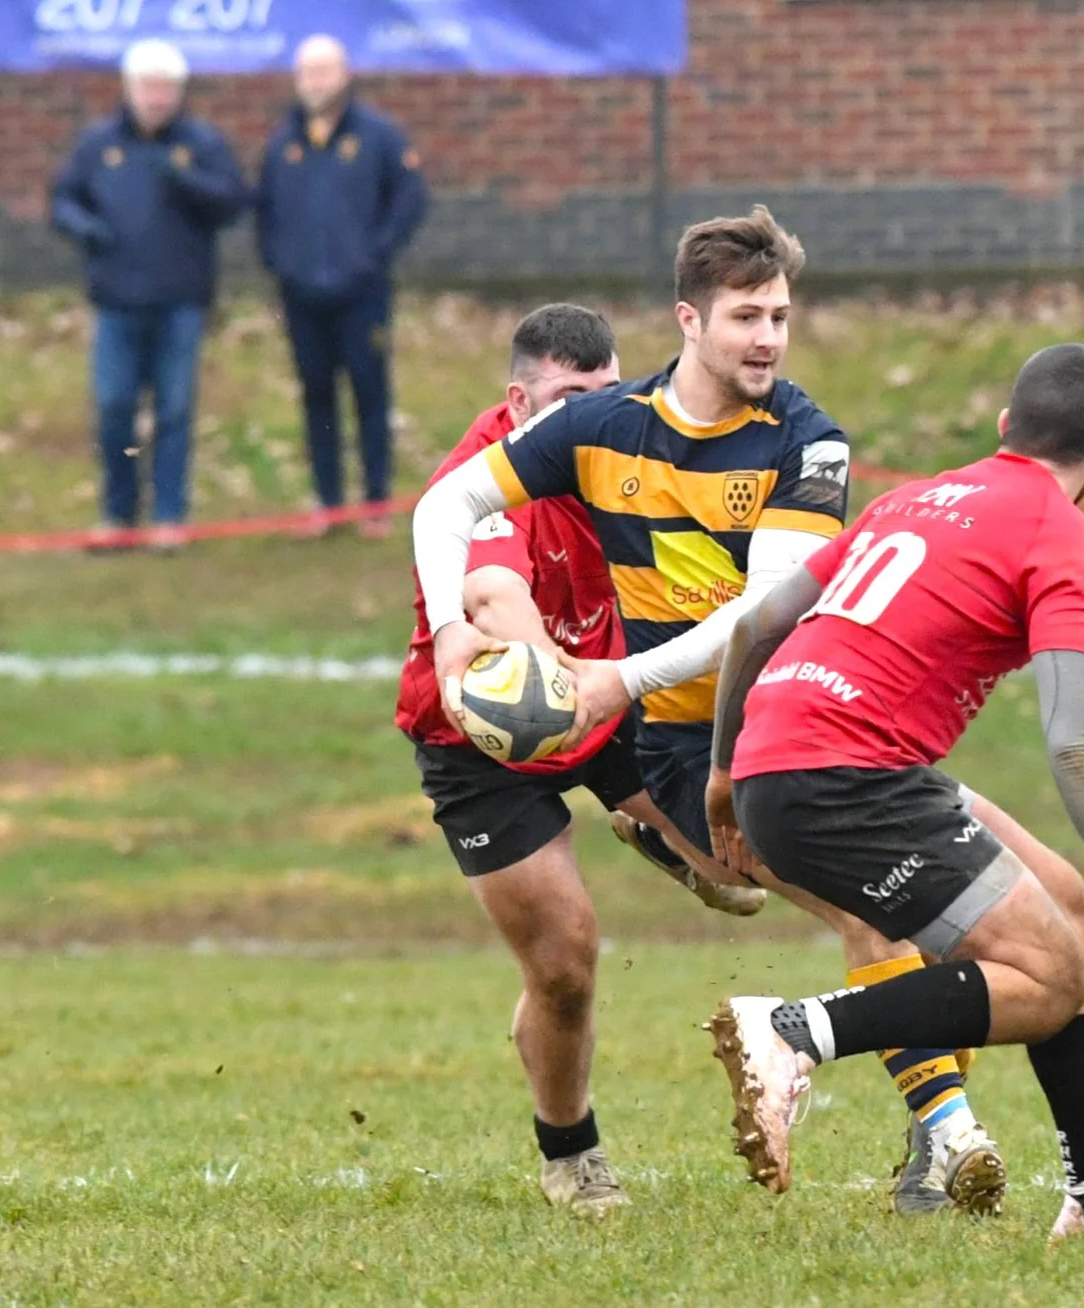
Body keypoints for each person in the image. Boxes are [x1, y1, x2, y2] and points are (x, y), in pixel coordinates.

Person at [409, 209, 1009, 1217]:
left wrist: (614, 681)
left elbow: (757, 616)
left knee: (922, 912)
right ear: (690, 320)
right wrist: (450, 633)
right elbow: (449, 514)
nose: (769, 337)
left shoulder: (808, 443)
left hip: (771, 717)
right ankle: (942, 1136)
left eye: (780, 315)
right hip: (657, 739)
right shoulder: (597, 427)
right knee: (842, 911)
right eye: (746, 316)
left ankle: (928, 1134)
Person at [702, 343, 1084, 1244]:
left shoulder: (914, 496)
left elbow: (755, 625)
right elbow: (1081, 743)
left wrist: (718, 777)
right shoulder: (1063, 542)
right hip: (846, 780)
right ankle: (793, 1030)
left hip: (782, 761)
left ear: (1003, 428)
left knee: (1067, 909)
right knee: (1049, 982)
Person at [397, 303, 766, 1216]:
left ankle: (656, 832)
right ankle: (571, 1155)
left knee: (744, 873)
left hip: (609, 702)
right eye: (566, 400)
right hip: (484, 739)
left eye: (602, 397)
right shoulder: (482, 475)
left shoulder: (627, 450)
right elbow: (493, 590)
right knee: (564, 961)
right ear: (517, 402)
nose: (585, 418)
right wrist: (558, 679)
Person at [48, 39, 249, 549]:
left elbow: (231, 203)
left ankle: (168, 516)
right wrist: (86, 228)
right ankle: (117, 515)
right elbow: (63, 199)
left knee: (174, 409)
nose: (156, 98)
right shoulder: (100, 144)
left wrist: (186, 180)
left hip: (179, 299)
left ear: (179, 93)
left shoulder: (200, 144)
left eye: (165, 89)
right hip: (116, 300)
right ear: (129, 89)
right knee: (115, 405)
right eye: (147, 87)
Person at [258, 34, 430, 536]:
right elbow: (265, 212)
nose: (315, 83)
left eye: (324, 72)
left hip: (362, 293)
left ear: (345, 74)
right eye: (307, 73)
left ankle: (374, 502)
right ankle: (328, 503)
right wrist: (281, 265)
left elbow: (410, 199)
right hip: (302, 295)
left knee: (369, 391)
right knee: (316, 394)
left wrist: (373, 255)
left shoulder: (378, 136)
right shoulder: (283, 142)